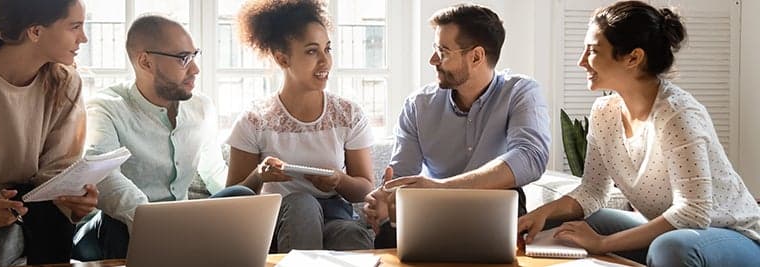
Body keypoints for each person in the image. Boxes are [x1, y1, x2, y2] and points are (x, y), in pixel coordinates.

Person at [517, 1, 760, 266]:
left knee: (670, 247)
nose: (581, 61)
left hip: (734, 236)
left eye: (593, 51)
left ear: (633, 57)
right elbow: (593, 191)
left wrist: (604, 243)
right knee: (574, 225)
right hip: (674, 233)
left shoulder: (677, 115)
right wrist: (541, 213)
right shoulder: (604, 112)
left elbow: (694, 212)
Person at [363, 3, 551, 248]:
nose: (432, 60)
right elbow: (402, 177)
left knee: (511, 207)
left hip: (497, 209)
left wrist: (441, 188)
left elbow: (530, 157)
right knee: (389, 235)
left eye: (443, 51)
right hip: (431, 211)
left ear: (476, 57)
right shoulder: (418, 105)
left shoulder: (521, 92)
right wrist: (385, 199)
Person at [71, 15, 255, 260]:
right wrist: (153, 224)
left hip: (182, 222)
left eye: (194, 55)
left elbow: (212, 171)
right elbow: (104, 176)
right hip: (120, 225)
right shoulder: (105, 107)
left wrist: (237, 210)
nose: (195, 69)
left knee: (241, 197)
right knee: (116, 223)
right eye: (183, 58)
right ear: (145, 62)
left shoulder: (202, 107)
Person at [227, 0, 375, 252]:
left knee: (351, 232)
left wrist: (338, 180)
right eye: (311, 51)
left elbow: (364, 190)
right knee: (302, 203)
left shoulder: (348, 114)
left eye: (327, 49)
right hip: (279, 221)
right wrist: (259, 175)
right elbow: (231, 197)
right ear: (282, 58)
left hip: (335, 215)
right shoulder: (255, 119)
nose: (325, 61)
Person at [0, 0, 98, 266]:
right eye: (75, 26)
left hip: (28, 211)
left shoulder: (68, 82)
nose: (84, 37)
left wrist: (74, 201)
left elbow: (58, 169)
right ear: (35, 32)